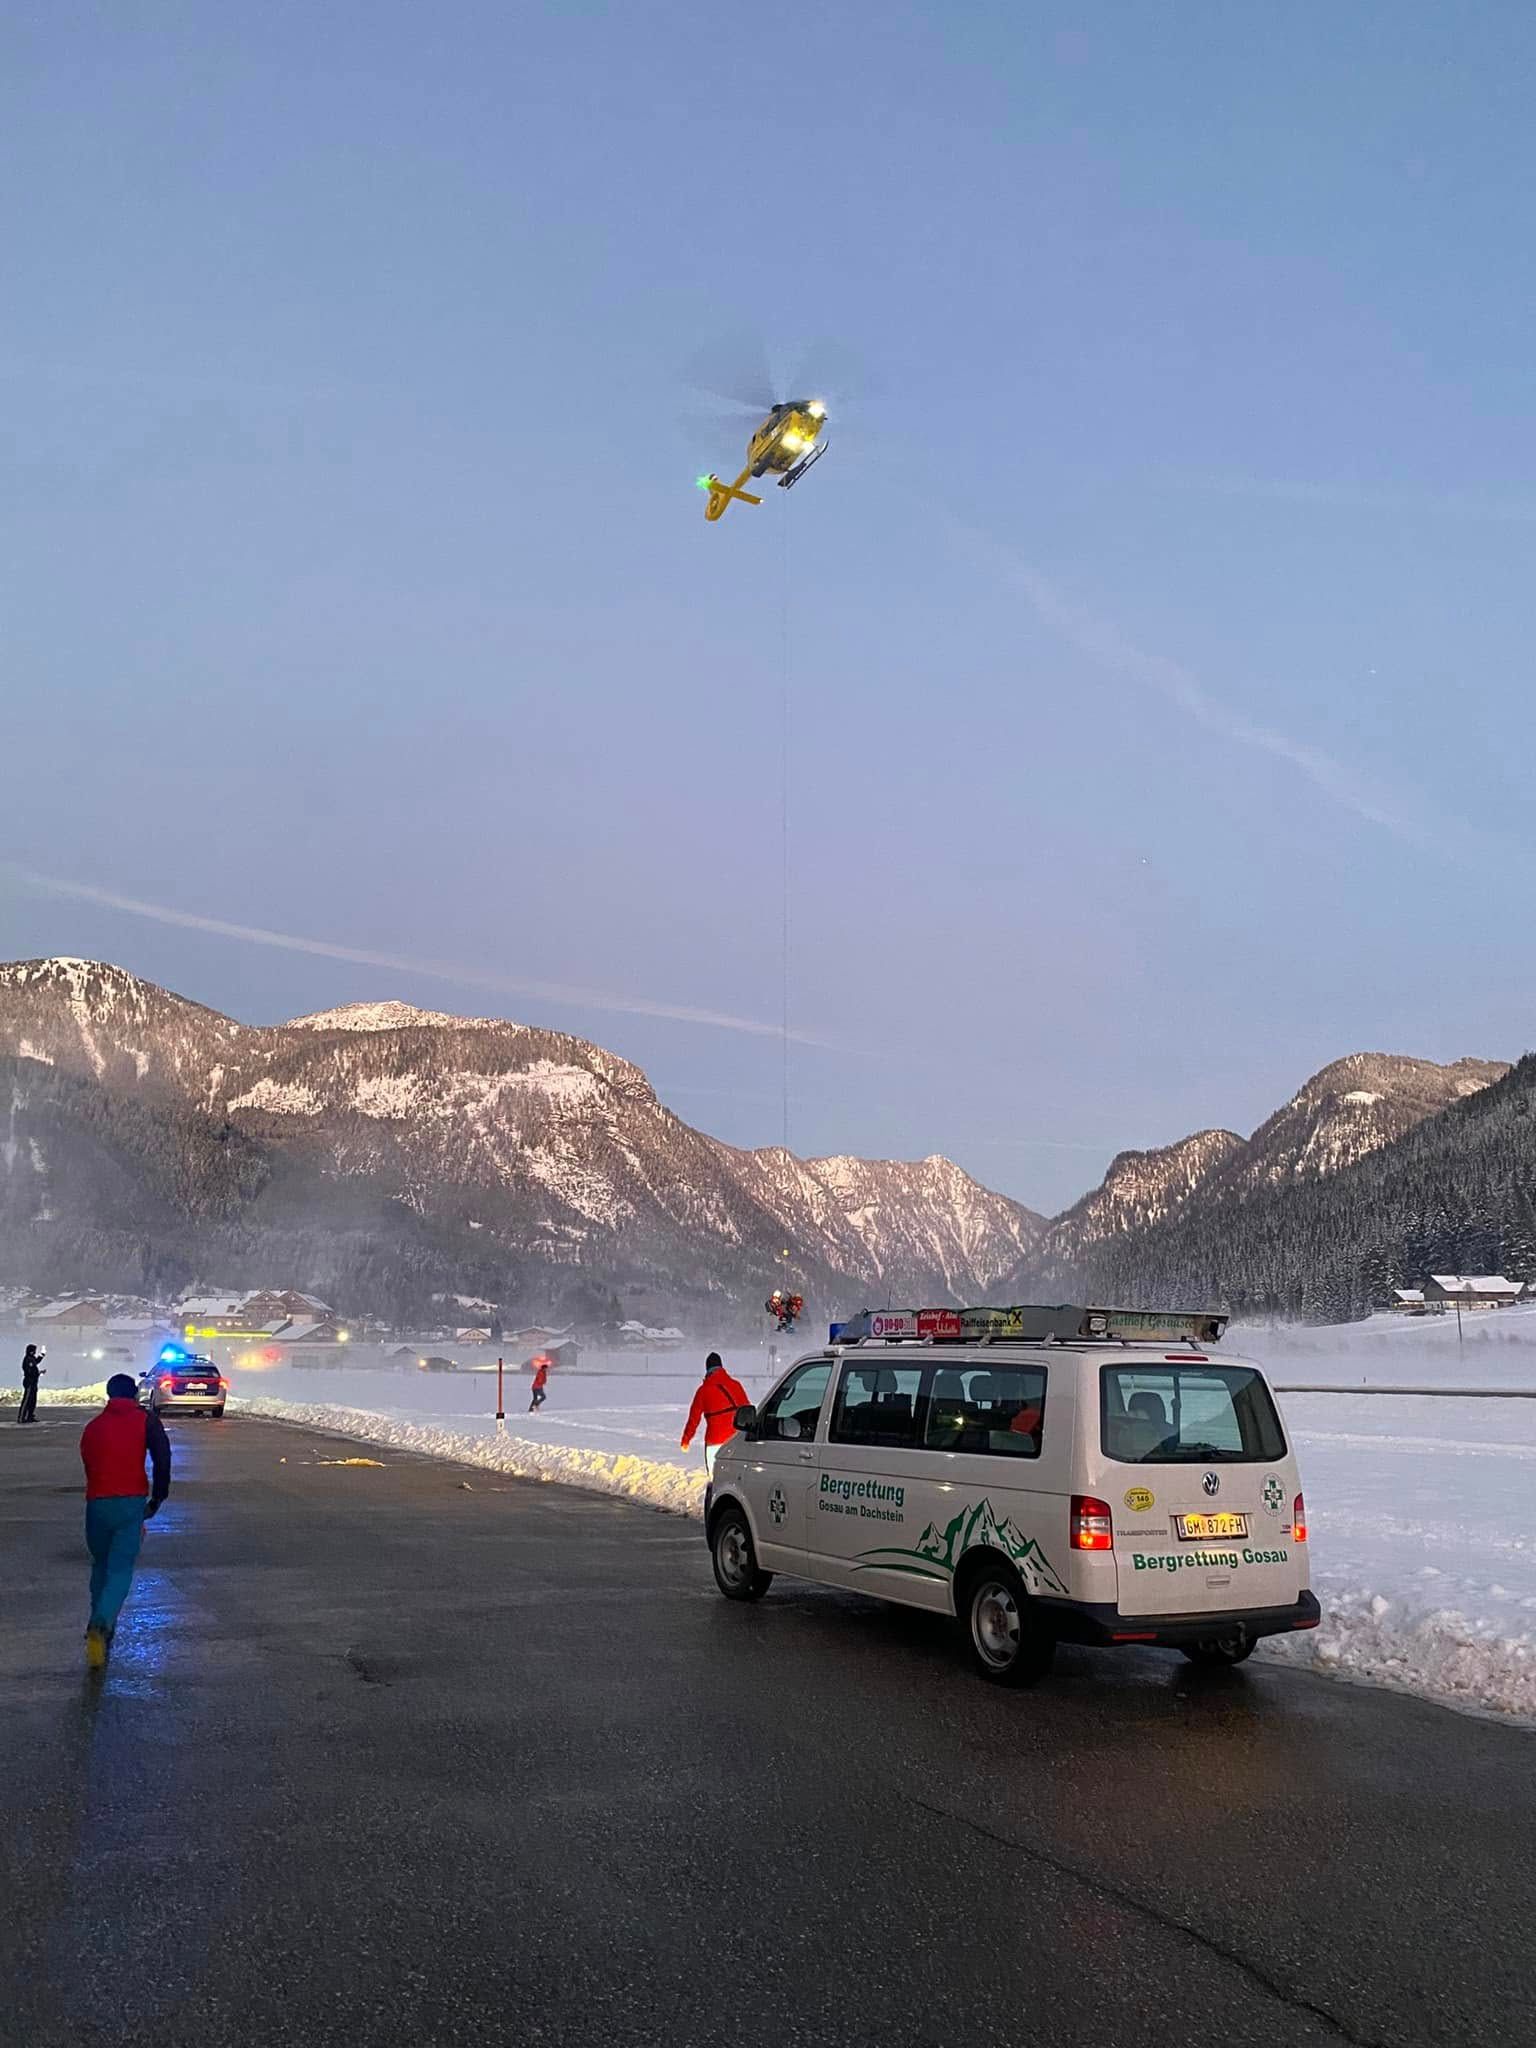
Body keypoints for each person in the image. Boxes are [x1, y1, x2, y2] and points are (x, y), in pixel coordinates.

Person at [79, 1373, 171, 1670]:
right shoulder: (145, 1421)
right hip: (130, 1503)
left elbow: (89, 1465)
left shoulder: (93, 1427)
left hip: (96, 1504)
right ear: (134, 1395)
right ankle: (101, 1624)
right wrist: (157, 1497)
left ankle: (101, 1630)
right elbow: (162, 1458)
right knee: (120, 1569)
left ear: (108, 1395)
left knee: (101, 1565)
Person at [681, 1351, 751, 1476]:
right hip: (736, 1440)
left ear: (707, 1369)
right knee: (734, 1477)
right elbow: (747, 1412)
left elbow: (694, 1419)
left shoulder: (703, 1391)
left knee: (714, 1478)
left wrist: (686, 1440)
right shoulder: (736, 1385)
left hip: (715, 1440)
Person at [17, 1343, 45, 1425]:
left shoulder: (31, 1358)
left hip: (33, 1382)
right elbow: (30, 1371)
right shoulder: (28, 1359)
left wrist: (42, 1355)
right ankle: (21, 1417)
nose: (35, 1352)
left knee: (32, 1401)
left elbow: (36, 1362)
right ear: (31, 1351)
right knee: (26, 1400)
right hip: (29, 1382)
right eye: (34, 1351)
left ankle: (30, 1416)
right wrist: (38, 1373)